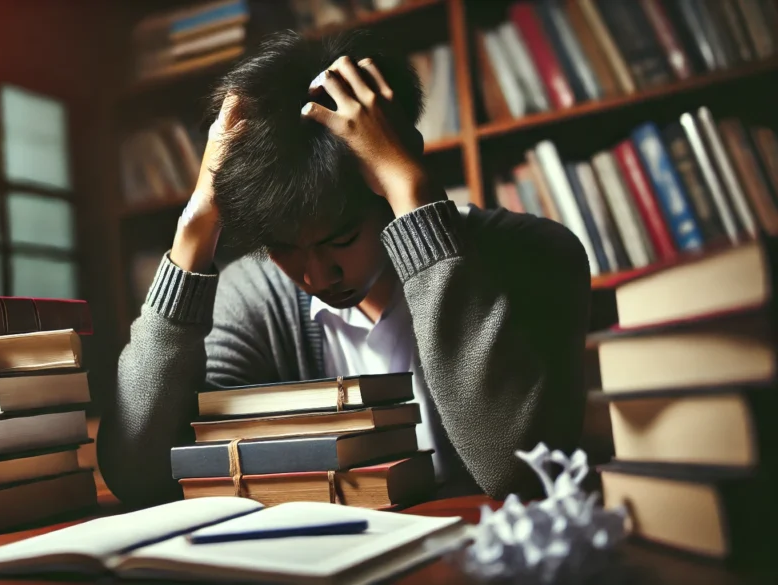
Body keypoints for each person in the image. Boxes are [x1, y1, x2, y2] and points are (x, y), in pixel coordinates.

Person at [98, 30, 591, 507]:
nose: (315, 276)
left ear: (389, 178)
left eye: (342, 239)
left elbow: (517, 472)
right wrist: (198, 219)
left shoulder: (534, 254)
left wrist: (414, 193)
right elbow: (140, 475)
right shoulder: (254, 296)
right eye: (284, 247)